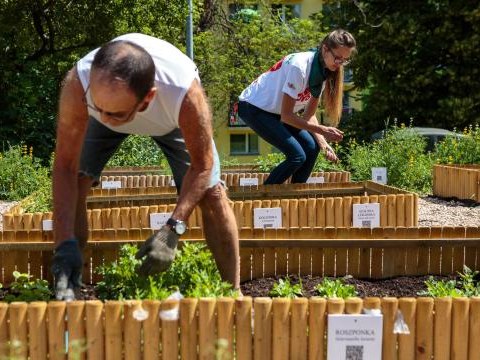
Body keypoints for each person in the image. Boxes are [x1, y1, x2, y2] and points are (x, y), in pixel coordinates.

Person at [52, 33, 240, 300]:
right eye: (99, 107)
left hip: (170, 120)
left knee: (213, 194)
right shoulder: (79, 84)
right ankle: (68, 281)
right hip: (106, 101)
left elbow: (203, 165)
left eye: (115, 113)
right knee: (79, 179)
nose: (105, 119)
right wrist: (63, 242)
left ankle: (232, 294)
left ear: (148, 98)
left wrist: (173, 229)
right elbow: (64, 167)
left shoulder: (183, 94)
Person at [238, 29, 357, 184]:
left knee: (312, 148)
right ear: (325, 49)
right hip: (254, 107)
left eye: (344, 60)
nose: (340, 64)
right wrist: (323, 130)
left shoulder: (321, 74)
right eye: (337, 58)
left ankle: (295, 197)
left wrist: (323, 143)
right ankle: (262, 199)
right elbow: (287, 116)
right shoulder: (299, 67)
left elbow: (309, 115)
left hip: (277, 112)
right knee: (297, 156)